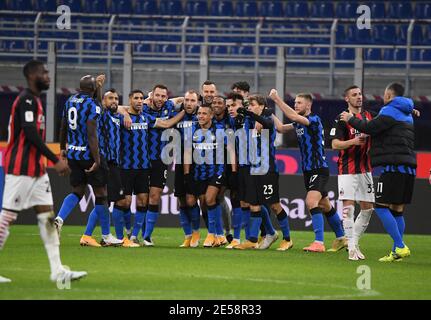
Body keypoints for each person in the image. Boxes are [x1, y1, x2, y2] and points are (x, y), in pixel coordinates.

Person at [0, 60, 86, 283]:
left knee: (47, 217)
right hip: (20, 169)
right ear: (31, 75)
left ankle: (57, 270)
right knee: (7, 217)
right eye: (44, 73)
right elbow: (30, 134)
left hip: (36, 171)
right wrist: (55, 160)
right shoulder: (26, 99)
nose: (48, 76)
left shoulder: (35, 100)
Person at [340, 82, 416, 262]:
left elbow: (371, 128)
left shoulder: (389, 110)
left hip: (394, 167)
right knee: (397, 210)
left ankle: (399, 245)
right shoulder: (407, 113)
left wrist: (350, 119)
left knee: (380, 207)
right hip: (409, 166)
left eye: (384, 94)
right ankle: (397, 250)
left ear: (389, 95)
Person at [269, 89, 346, 253]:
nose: (295, 105)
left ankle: (319, 242)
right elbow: (281, 128)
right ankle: (341, 237)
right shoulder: (299, 123)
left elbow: (294, 117)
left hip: (318, 168)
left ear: (308, 104)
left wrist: (276, 99)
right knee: (325, 205)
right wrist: (269, 113)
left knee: (311, 202)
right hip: (308, 171)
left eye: (299, 102)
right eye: (294, 102)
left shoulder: (313, 120)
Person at [55, 74, 122, 247]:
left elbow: (63, 125)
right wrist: (98, 159)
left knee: (77, 191)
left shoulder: (70, 100)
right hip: (89, 155)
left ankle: (59, 219)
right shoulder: (93, 105)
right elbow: (92, 134)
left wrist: (62, 147)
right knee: (101, 195)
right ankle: (106, 236)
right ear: (93, 89)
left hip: (73, 154)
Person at [234, 95, 292, 251]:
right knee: (254, 203)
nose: (249, 107)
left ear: (261, 106)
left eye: (252, 105)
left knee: (274, 205)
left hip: (268, 170)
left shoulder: (267, 119)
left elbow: (266, 123)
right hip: (254, 168)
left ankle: (287, 238)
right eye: (249, 105)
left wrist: (250, 114)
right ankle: (252, 240)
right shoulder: (250, 122)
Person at [330, 85, 375, 260]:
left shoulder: (369, 116)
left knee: (368, 209)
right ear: (347, 99)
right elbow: (334, 145)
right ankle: (351, 249)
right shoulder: (342, 118)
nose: (359, 97)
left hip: (366, 168)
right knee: (348, 209)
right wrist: (354, 141)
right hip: (347, 168)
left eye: (360, 94)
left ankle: (353, 243)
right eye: (354, 95)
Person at [184, 104, 228, 247]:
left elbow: (230, 150)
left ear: (211, 116)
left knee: (209, 199)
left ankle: (212, 235)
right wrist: (186, 173)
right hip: (198, 172)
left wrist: (231, 170)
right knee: (203, 203)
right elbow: (187, 152)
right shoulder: (192, 130)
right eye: (199, 113)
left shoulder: (220, 130)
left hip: (216, 171)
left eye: (204, 113)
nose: (201, 116)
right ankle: (218, 235)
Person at [141, 84, 180, 246]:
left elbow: (181, 99)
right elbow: (165, 125)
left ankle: (147, 236)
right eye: (158, 95)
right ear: (152, 96)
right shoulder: (143, 109)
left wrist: (177, 100)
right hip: (141, 158)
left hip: (160, 159)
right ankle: (135, 231)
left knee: (154, 196)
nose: (161, 99)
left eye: (164, 96)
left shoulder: (169, 105)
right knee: (141, 199)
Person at [174, 90, 200, 247]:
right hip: (178, 161)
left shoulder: (202, 115)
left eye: (192, 100)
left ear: (197, 102)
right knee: (181, 200)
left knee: (191, 200)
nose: (189, 103)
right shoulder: (176, 114)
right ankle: (187, 236)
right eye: (187, 100)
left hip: (196, 162)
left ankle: (196, 233)